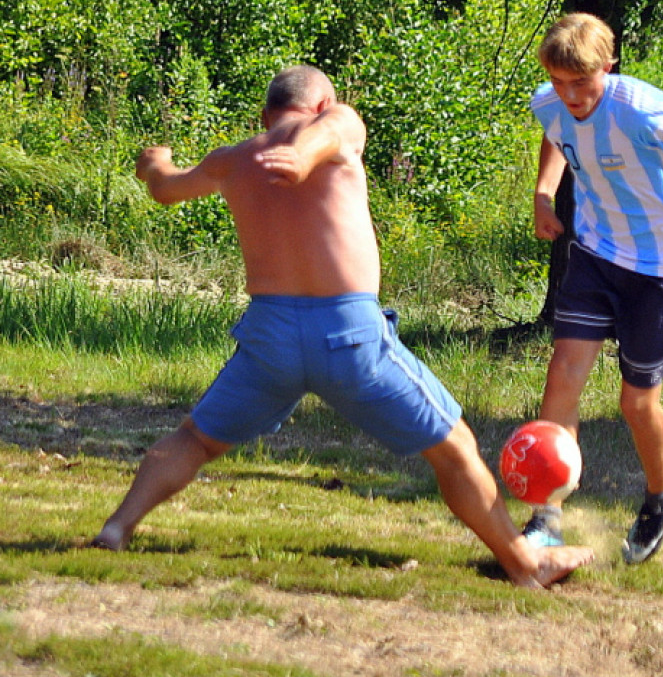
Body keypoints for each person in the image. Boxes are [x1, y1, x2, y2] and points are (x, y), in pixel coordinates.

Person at [91, 65, 594, 588]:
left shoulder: (233, 160)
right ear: (324, 101)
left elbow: (167, 189)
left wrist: (156, 164)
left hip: (271, 336)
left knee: (194, 439)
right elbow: (334, 132)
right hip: (349, 333)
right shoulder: (341, 122)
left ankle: (117, 526)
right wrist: (304, 153)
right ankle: (524, 563)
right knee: (453, 446)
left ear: (265, 115)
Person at [525, 13, 663, 564]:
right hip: (595, 253)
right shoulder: (549, 101)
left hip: (661, 268)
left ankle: (659, 497)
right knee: (562, 376)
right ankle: (546, 514)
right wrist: (545, 194)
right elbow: (556, 135)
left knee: (637, 402)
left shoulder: (641, 109)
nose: (569, 95)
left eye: (581, 84)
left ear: (608, 68)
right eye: (558, 82)